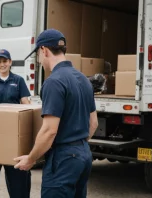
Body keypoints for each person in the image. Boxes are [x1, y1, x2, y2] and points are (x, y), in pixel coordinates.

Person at [14, 29, 98, 198]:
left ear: (44, 50)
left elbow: (49, 130)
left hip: (63, 159)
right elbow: (93, 123)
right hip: (84, 154)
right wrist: (78, 146)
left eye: (38, 54)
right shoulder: (83, 79)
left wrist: (30, 159)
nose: (39, 59)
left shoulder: (54, 82)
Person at [0, 49, 31, 198]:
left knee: (18, 182)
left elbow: (26, 103)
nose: (2, 64)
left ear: (10, 62)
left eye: (5, 61)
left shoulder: (18, 81)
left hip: (13, 137)